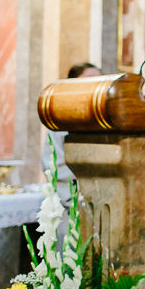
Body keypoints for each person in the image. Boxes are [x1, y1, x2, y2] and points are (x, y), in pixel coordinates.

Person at [42, 62, 101, 204]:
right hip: (69, 200)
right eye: (89, 80)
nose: (95, 85)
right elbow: (53, 165)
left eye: (99, 80)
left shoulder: (103, 120)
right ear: (72, 85)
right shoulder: (59, 120)